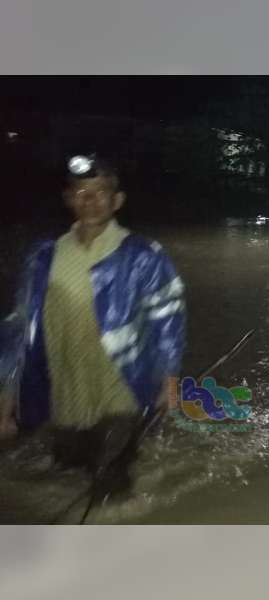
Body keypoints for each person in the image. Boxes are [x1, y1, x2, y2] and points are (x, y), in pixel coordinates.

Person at [0, 155, 186, 492]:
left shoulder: (144, 255)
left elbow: (168, 323)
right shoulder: (42, 257)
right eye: (81, 192)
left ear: (117, 201)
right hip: (64, 397)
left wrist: (168, 386)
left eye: (100, 192)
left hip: (123, 392)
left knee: (109, 486)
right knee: (65, 474)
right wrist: (6, 403)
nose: (90, 200)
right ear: (68, 199)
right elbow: (18, 330)